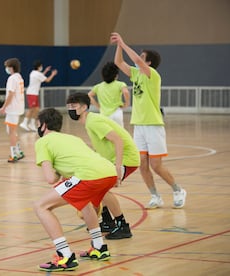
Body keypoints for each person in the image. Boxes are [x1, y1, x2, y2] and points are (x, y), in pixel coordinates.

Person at [34, 108, 117, 272]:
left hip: (88, 176)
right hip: (109, 172)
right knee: (84, 203)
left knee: (41, 206)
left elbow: (51, 179)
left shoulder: (42, 142)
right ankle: (99, 248)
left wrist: (56, 170)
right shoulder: (72, 138)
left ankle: (64, 255)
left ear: (43, 125)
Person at [110, 32, 187, 209]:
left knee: (156, 165)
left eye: (143, 57)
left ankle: (178, 190)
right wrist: (119, 46)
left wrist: (123, 41)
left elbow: (136, 60)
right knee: (142, 164)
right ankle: (155, 196)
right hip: (139, 125)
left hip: (153, 125)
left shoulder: (152, 75)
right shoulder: (136, 74)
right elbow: (119, 63)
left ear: (149, 62)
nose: (139, 58)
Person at [66, 92, 140, 239]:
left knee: (103, 188)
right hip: (112, 160)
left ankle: (122, 226)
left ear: (84, 107)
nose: (70, 110)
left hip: (127, 159)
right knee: (96, 185)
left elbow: (118, 140)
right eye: (68, 107)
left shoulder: (93, 121)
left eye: (74, 106)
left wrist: (118, 166)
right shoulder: (90, 121)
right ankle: (107, 222)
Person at [88, 61, 130, 127]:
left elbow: (89, 95)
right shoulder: (120, 84)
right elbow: (126, 92)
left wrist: (97, 106)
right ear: (116, 75)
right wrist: (127, 104)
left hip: (104, 115)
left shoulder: (98, 87)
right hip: (117, 113)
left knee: (107, 134)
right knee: (120, 134)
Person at [0, 58, 25, 163]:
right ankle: (18, 151)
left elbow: (11, 94)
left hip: (13, 109)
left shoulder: (12, 78)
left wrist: (4, 107)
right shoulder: (19, 77)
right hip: (18, 107)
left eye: (7, 67)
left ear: (11, 67)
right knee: (11, 131)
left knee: (11, 132)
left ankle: (14, 154)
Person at [20, 60, 57, 131]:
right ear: (39, 67)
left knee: (36, 109)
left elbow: (41, 76)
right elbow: (47, 80)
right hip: (32, 93)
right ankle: (24, 123)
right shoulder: (37, 74)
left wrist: (46, 71)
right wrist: (53, 74)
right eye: (41, 66)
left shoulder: (34, 73)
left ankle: (31, 123)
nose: (42, 67)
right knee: (31, 109)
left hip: (34, 93)